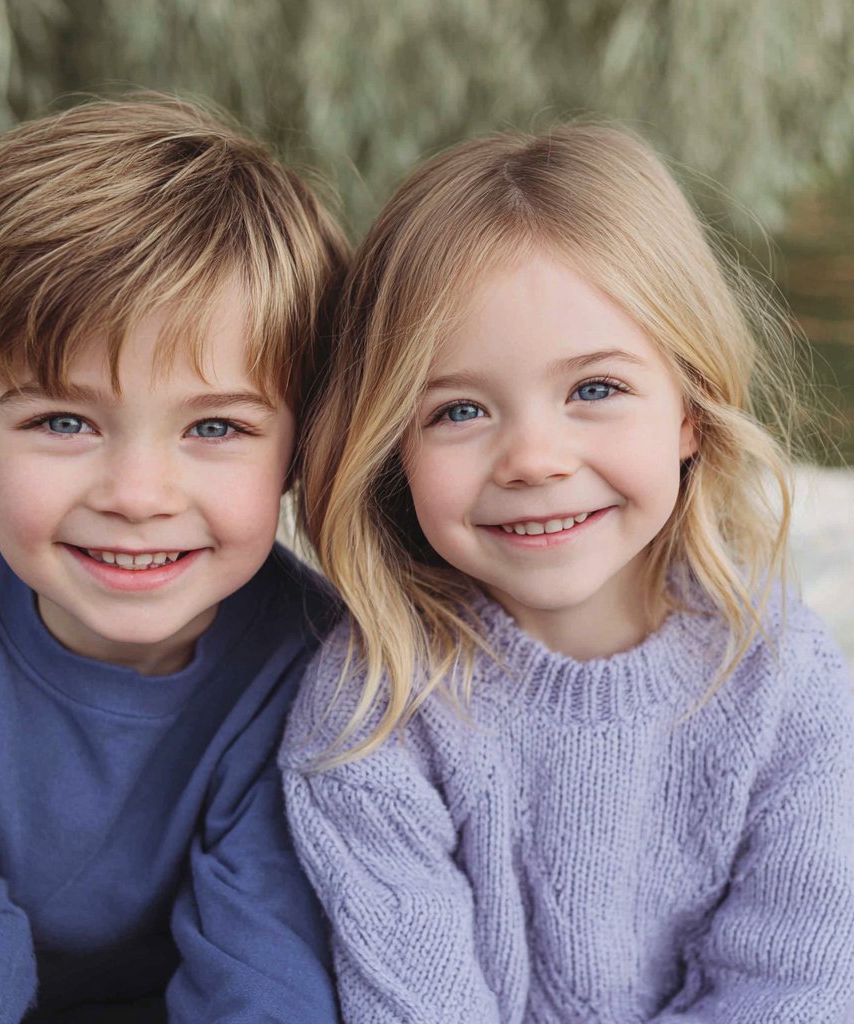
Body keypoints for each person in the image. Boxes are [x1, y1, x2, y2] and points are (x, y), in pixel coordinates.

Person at [281, 125, 854, 1022]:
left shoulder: (785, 680)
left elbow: (798, 986)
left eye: (594, 390)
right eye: (459, 410)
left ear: (690, 413)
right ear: (393, 449)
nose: (534, 460)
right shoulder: (372, 713)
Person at [0, 96, 348, 1023]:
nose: (137, 493)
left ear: (299, 449)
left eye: (217, 425)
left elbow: (266, 969)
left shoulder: (311, 661)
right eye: (62, 421)